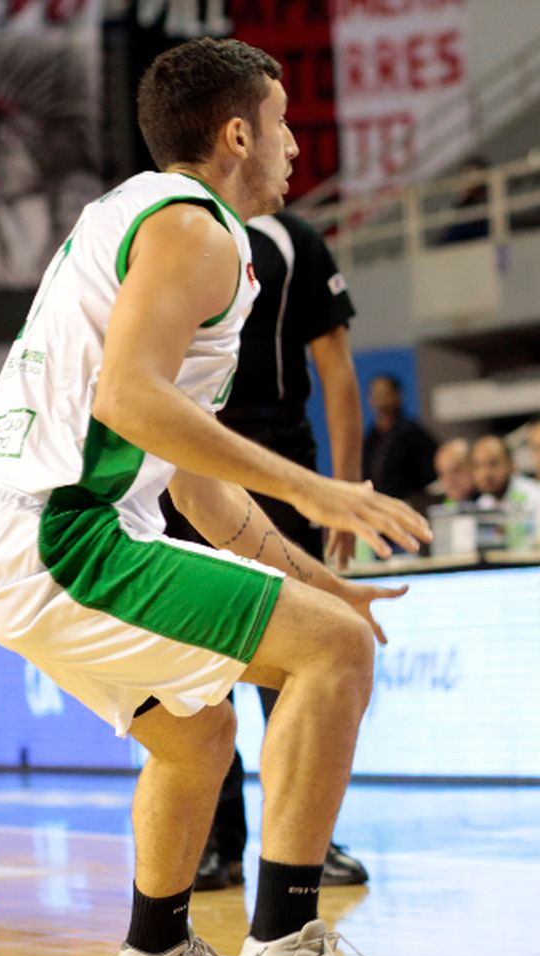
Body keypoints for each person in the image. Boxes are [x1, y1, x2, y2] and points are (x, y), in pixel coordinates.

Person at [0, 38, 431, 956]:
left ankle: (156, 952)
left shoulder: (138, 213)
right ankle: (286, 949)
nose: (294, 148)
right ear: (239, 133)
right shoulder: (198, 230)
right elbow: (128, 398)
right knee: (335, 654)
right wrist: (315, 487)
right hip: (57, 529)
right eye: (284, 126)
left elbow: (194, 486)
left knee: (199, 728)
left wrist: (322, 579)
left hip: (18, 525)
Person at [161, 204, 369, 894]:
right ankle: (213, 844)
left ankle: (308, 842)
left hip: (278, 454)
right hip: (183, 460)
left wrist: (342, 486)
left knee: (300, 655)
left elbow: (336, 370)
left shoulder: (295, 237)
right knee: (194, 661)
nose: (293, 147)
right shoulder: (172, 227)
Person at [363, 373, 437, 503]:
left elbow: (431, 472)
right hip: (377, 506)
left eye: (385, 394)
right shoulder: (369, 439)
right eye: (376, 394)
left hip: (408, 504)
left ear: (398, 395)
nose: (381, 399)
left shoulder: (413, 433)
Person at [470, 434, 539, 511]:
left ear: (511, 464)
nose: (486, 473)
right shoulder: (483, 503)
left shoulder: (533, 496)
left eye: (493, 463)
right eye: (478, 466)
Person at [432, 438, 476, 507]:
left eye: (456, 470)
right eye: (442, 474)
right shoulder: (444, 507)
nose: (449, 480)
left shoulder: (490, 503)